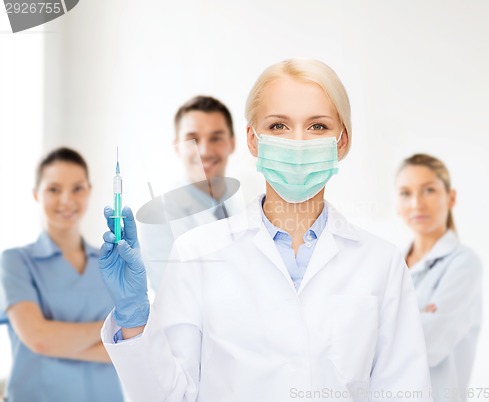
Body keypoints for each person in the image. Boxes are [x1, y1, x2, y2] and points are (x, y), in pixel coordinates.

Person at [99, 59, 432, 402]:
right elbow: (169, 396)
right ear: (253, 140)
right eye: (278, 126)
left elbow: (406, 393)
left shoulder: (381, 263)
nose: (298, 143)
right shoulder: (195, 252)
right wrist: (134, 319)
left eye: (317, 126)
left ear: (342, 141)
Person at [0, 148, 123, 402]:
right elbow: (39, 339)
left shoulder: (111, 262)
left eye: (77, 188)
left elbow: (128, 349)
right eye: (54, 189)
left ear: (89, 190)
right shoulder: (15, 262)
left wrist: (55, 344)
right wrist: (110, 331)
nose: (66, 200)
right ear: (36, 194)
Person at [396, 153, 482, 402]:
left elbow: (428, 343)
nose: (416, 204)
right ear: (397, 205)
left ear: (451, 197)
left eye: (429, 190)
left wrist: (377, 317)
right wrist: (416, 316)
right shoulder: (389, 265)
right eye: (405, 193)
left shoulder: (464, 264)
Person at [136, 95, 242, 291]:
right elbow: (173, 294)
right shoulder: (158, 215)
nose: (204, 150)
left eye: (216, 138)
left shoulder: (251, 204)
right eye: (192, 139)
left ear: (232, 143)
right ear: (177, 147)